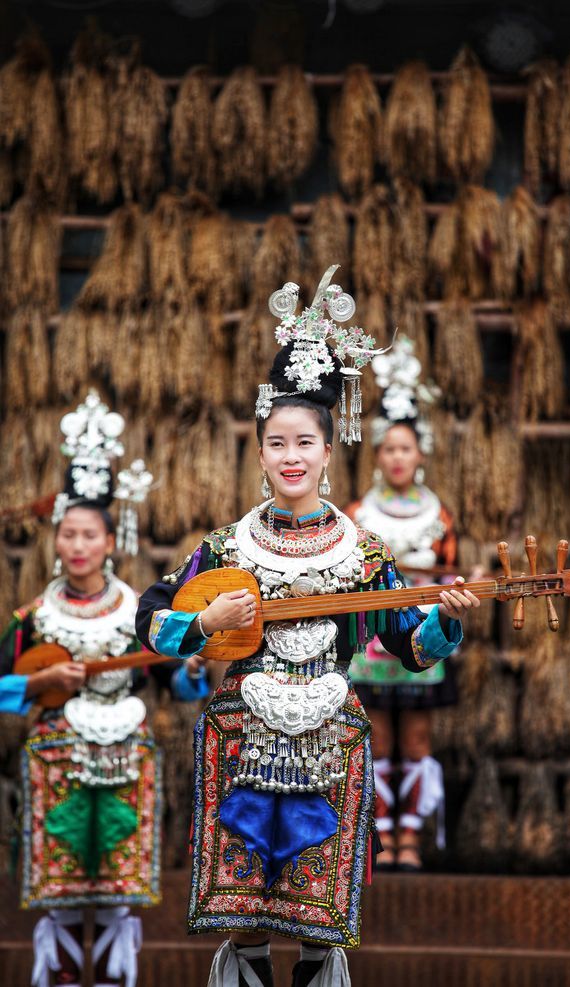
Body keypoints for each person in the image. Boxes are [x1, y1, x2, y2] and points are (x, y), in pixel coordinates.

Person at [135, 268, 480, 987]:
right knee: (250, 915)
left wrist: (446, 626)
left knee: (319, 924)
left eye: (305, 443)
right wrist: (204, 620)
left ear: (329, 449)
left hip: (330, 742)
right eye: (276, 443)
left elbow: (410, 646)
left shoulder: (364, 552)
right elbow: (151, 620)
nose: (291, 457)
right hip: (242, 740)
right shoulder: (227, 547)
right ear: (260, 453)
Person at [0, 392, 209, 987]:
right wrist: (40, 682)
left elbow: (177, 679)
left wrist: (194, 668)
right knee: (62, 888)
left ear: (110, 540)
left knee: (116, 892)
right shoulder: (34, 617)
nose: (78, 546)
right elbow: (0, 687)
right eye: (68, 534)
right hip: (56, 760)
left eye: (90, 535)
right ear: (57, 541)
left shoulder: (136, 613)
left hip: (125, 758)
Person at [344, 336, 458, 872]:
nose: (396, 457)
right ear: (378, 455)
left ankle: (410, 839)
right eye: (387, 448)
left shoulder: (439, 514)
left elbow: (450, 571)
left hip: (423, 636)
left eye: (405, 448)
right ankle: (380, 835)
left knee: (414, 739)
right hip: (371, 643)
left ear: (420, 453)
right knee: (376, 734)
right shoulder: (358, 511)